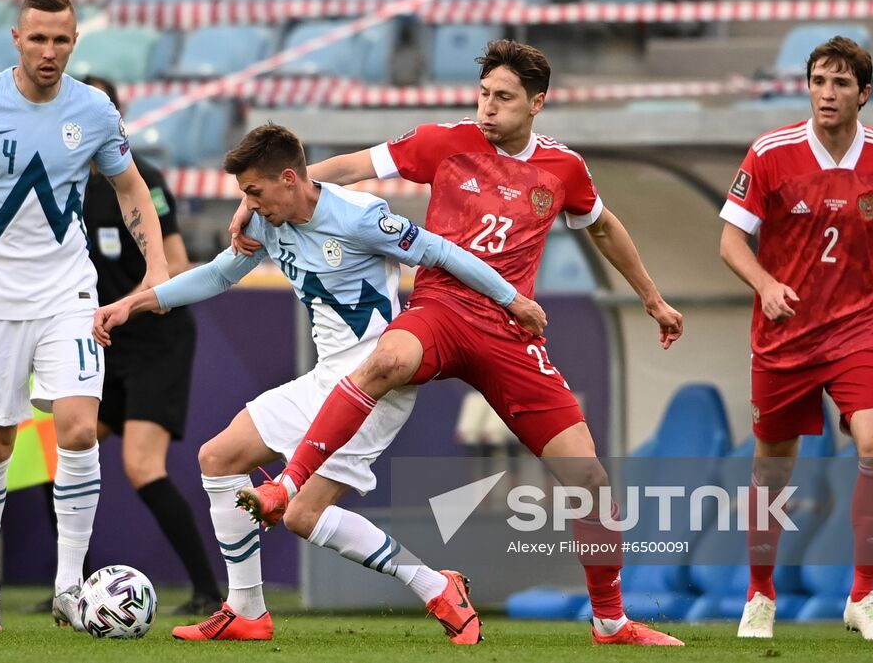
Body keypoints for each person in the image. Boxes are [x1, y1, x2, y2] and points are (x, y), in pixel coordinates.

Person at [232, 41, 687, 647]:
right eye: (484, 95)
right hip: (441, 309)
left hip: (508, 330)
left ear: (537, 103)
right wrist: (253, 202)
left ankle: (611, 621)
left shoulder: (564, 169)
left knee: (589, 478)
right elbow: (349, 167)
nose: (487, 108)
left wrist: (652, 298)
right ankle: (288, 484)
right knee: (387, 359)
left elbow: (602, 226)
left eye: (504, 98)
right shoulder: (444, 142)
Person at [95, 123, 547, 642]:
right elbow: (218, 275)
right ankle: (246, 610)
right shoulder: (267, 221)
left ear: (289, 179)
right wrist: (134, 303)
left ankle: (435, 586)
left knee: (302, 514)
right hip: (325, 375)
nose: (248, 204)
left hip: (376, 382)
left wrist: (512, 299)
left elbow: (442, 253)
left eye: (254, 192)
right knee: (219, 459)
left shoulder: (361, 216)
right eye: (244, 194)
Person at [0, 0, 170, 634]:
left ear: (74, 41)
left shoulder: (94, 110)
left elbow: (131, 187)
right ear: (17, 39)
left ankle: (68, 587)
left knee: (78, 429)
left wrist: (157, 264)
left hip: (67, 294)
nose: (49, 51)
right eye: (38, 39)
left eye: (61, 40)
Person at [718, 35, 873, 641]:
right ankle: (760, 594)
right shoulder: (770, 154)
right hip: (784, 336)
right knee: (772, 470)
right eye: (818, 81)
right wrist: (766, 283)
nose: (826, 93)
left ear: (864, 94)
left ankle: (862, 596)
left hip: (858, 327)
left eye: (839, 83)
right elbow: (730, 241)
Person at [76, 76, 223, 617]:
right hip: (103, 341)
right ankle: (73, 587)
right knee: (63, 451)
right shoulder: (63, 184)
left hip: (155, 340)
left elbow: (177, 265)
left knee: (141, 465)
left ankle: (208, 591)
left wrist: (128, 305)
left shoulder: (141, 180)